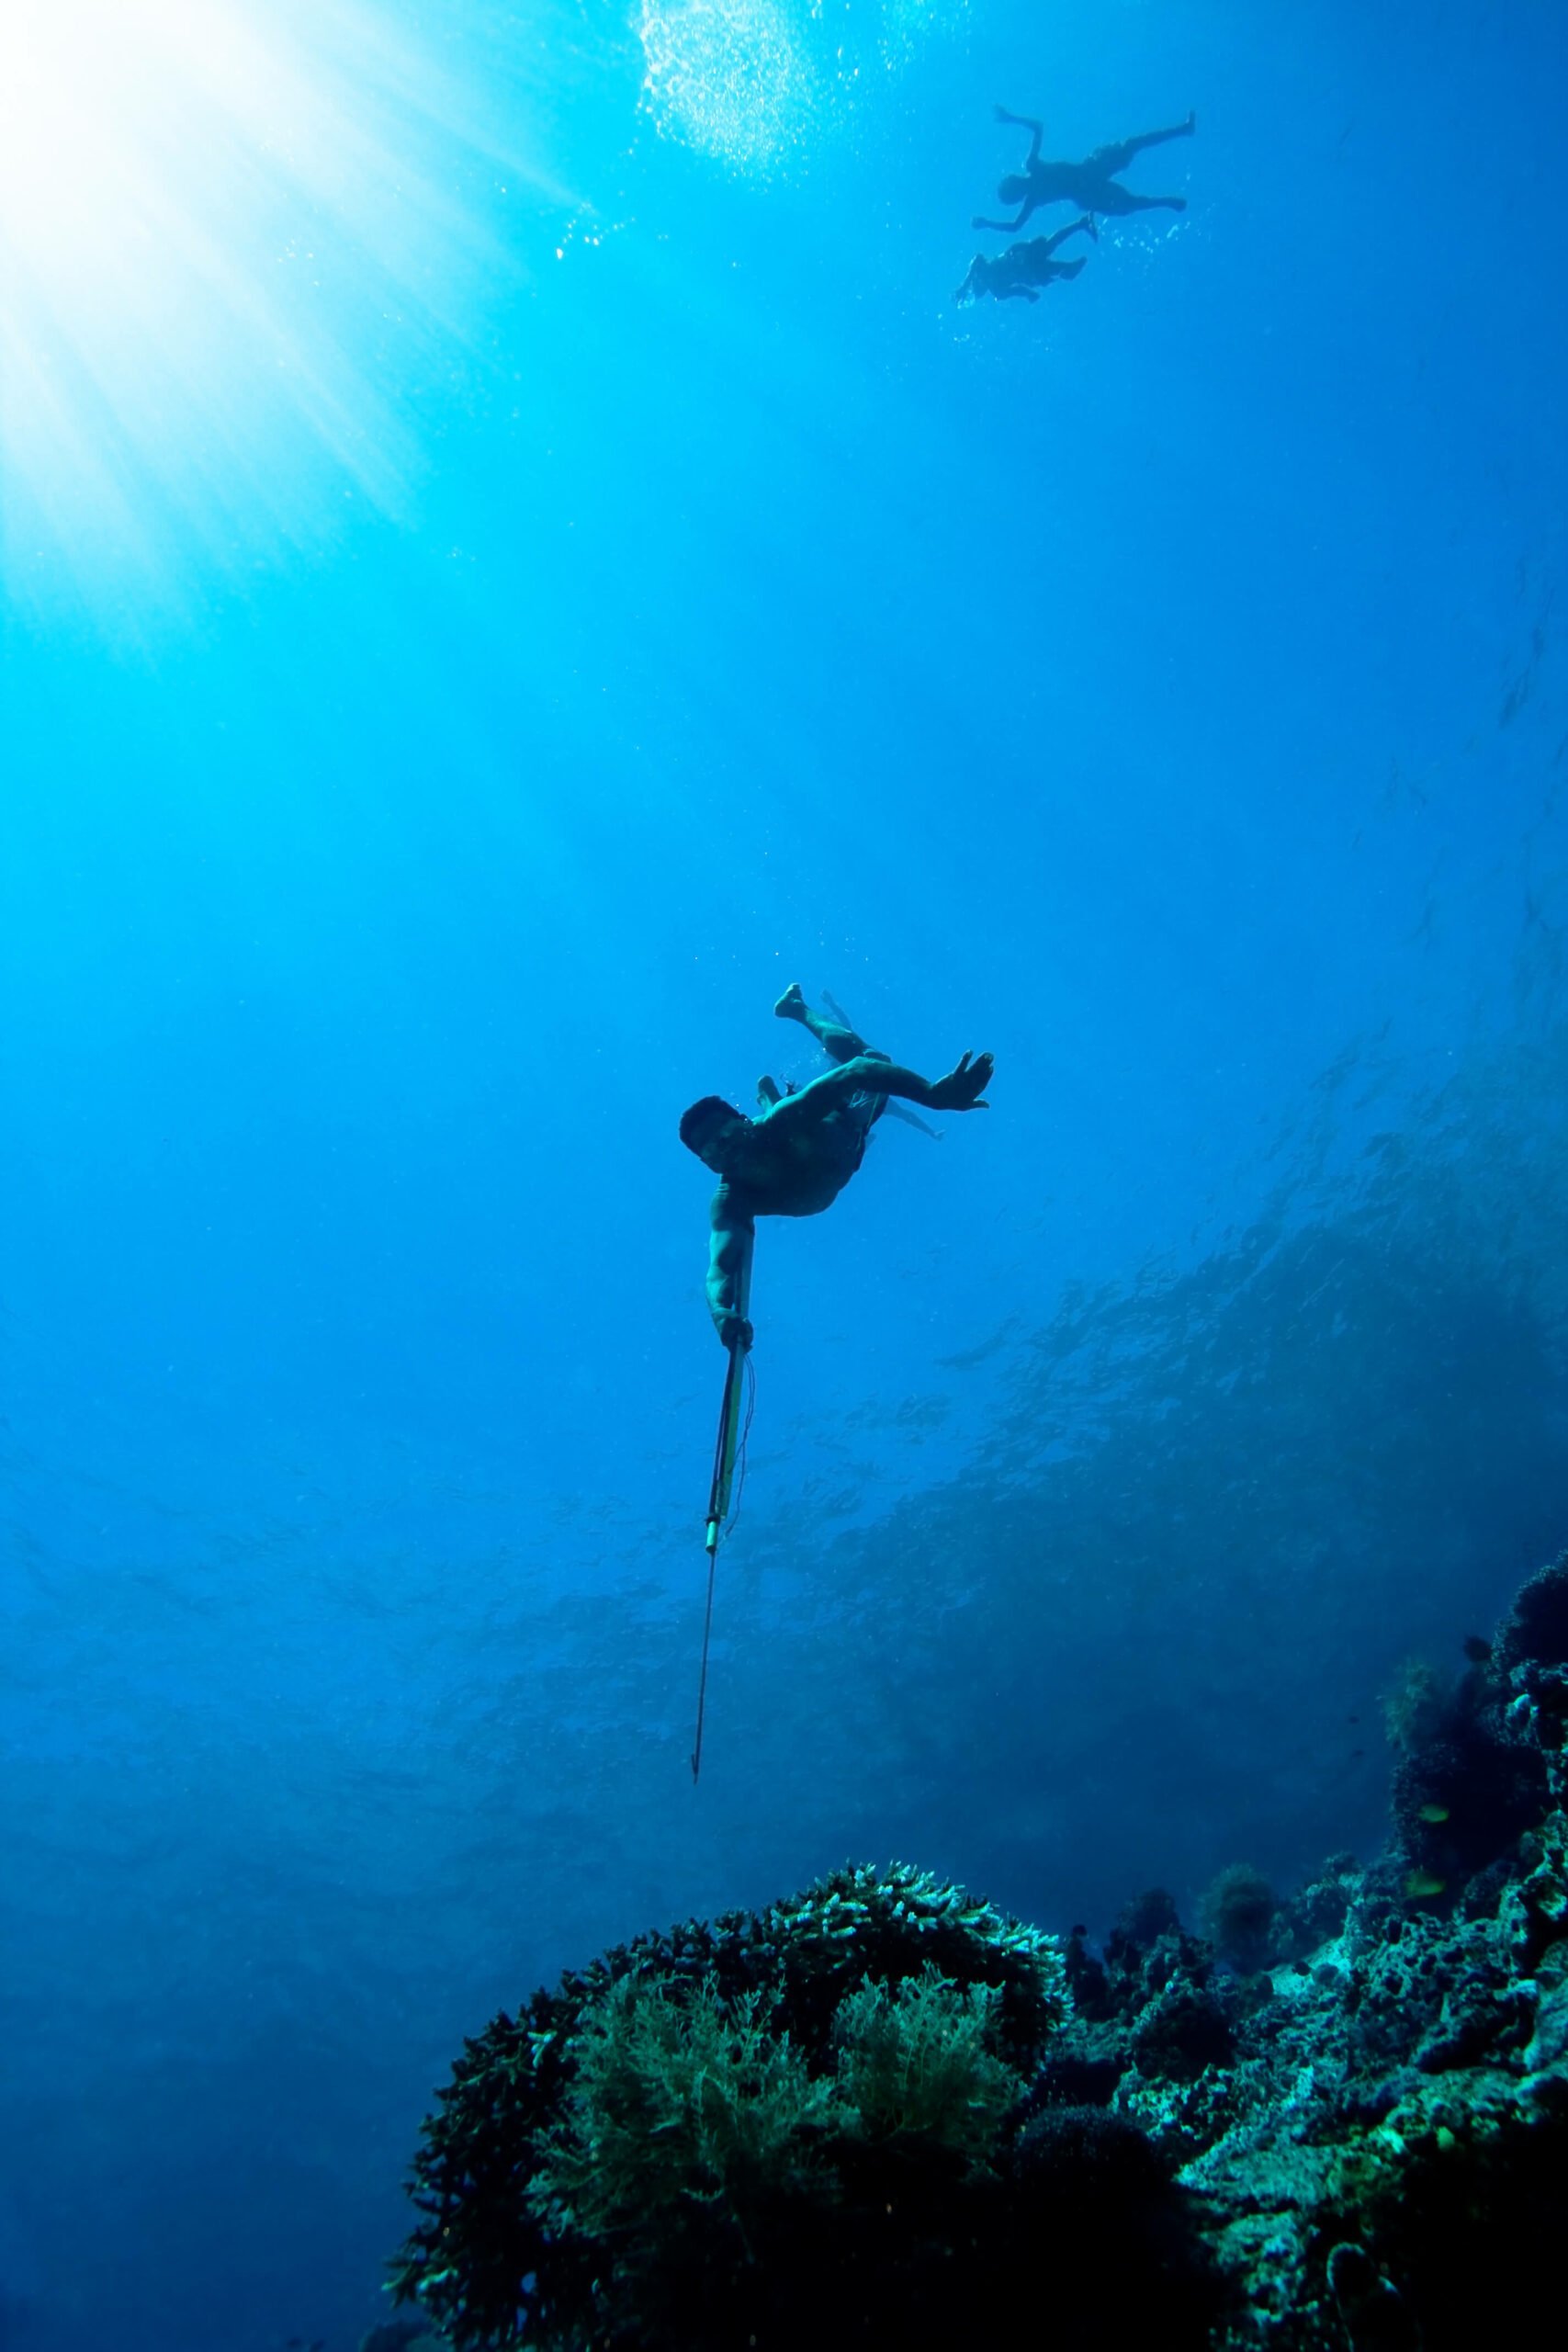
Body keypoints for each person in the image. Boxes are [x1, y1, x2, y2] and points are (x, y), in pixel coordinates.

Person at [680, 985, 994, 1350]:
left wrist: (933, 1095)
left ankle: (798, 1010)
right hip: (836, 1156)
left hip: (845, 1126)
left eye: (729, 1135)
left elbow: (859, 1071)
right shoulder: (732, 1200)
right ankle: (768, 1094)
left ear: (745, 1123)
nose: (729, 1151)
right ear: (707, 1165)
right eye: (715, 1152)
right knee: (812, 1105)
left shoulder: (782, 1122)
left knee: (875, 1057)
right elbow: (720, 1265)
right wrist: (720, 1312)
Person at [973, 105, 1193, 234]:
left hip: (1089, 173)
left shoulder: (1033, 169)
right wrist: (986, 223)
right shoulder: (1032, 195)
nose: (1017, 184)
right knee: (1130, 202)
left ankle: (1182, 130)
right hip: (1087, 192)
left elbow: (1038, 127)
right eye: (1014, 188)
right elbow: (1015, 226)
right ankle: (1167, 202)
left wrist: (1012, 118)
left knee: (1131, 145)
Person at [955, 216, 1096, 307]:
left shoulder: (983, 272)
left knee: (1049, 248)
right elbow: (1018, 290)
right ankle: (1071, 262)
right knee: (1050, 254)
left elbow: (977, 260)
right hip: (1026, 270)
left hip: (1021, 260)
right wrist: (1030, 295)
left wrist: (964, 286)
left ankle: (1080, 225)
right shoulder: (997, 291)